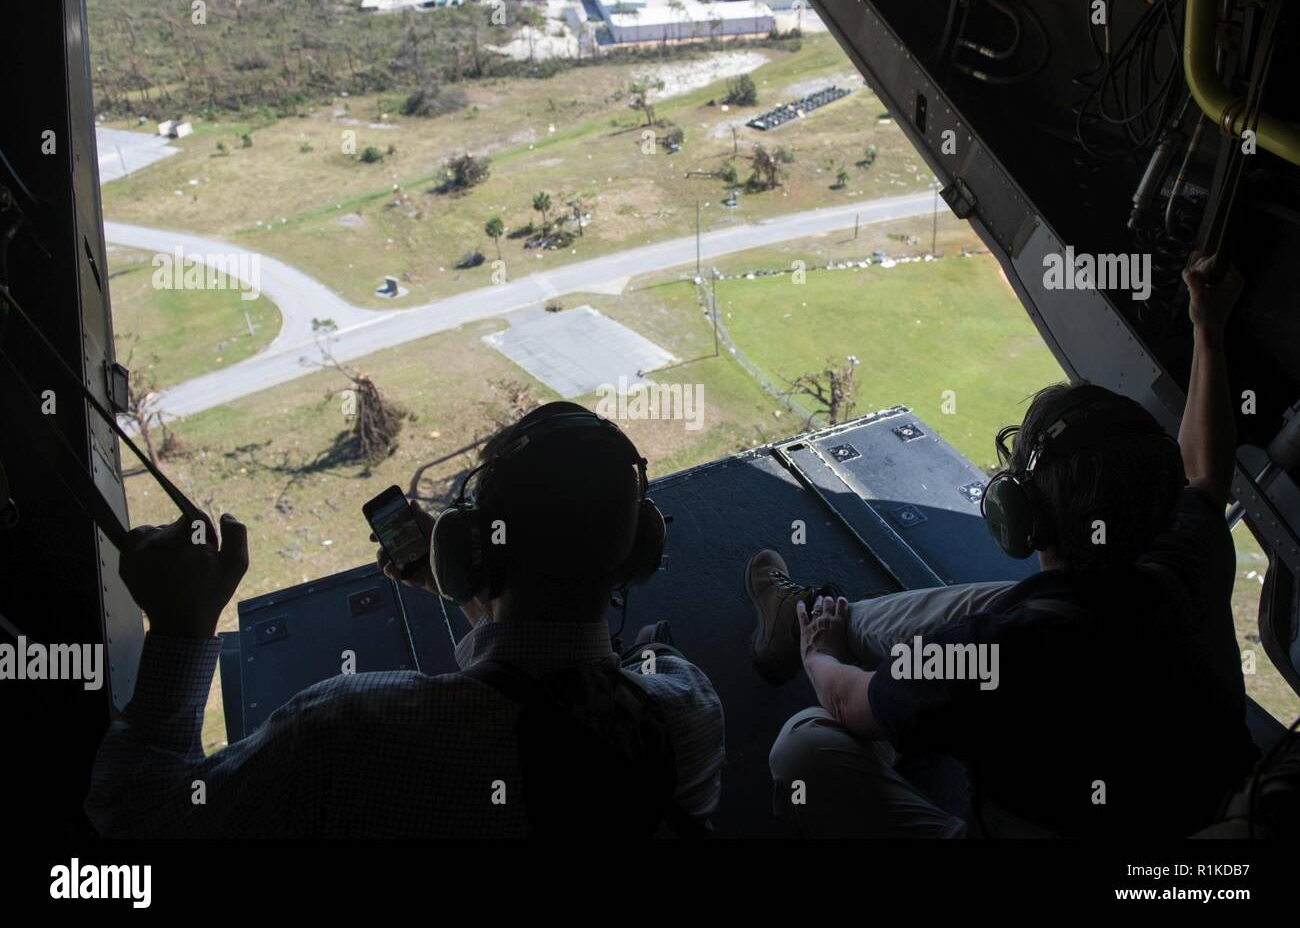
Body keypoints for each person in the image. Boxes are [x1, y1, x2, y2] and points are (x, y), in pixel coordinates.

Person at [748, 252, 1258, 837]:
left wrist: (822, 655)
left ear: (1018, 513)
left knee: (804, 749)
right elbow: (1206, 477)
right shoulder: (1187, 560)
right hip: (1203, 840)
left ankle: (808, 633)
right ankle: (810, 627)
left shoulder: (998, 651)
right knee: (1002, 603)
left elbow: (847, 704)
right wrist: (1207, 328)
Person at [86, 401, 724, 837]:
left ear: (464, 547)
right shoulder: (689, 716)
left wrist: (179, 627)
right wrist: (466, 593)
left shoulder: (345, 732)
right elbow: (551, 694)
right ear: (638, 549)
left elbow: (134, 818)